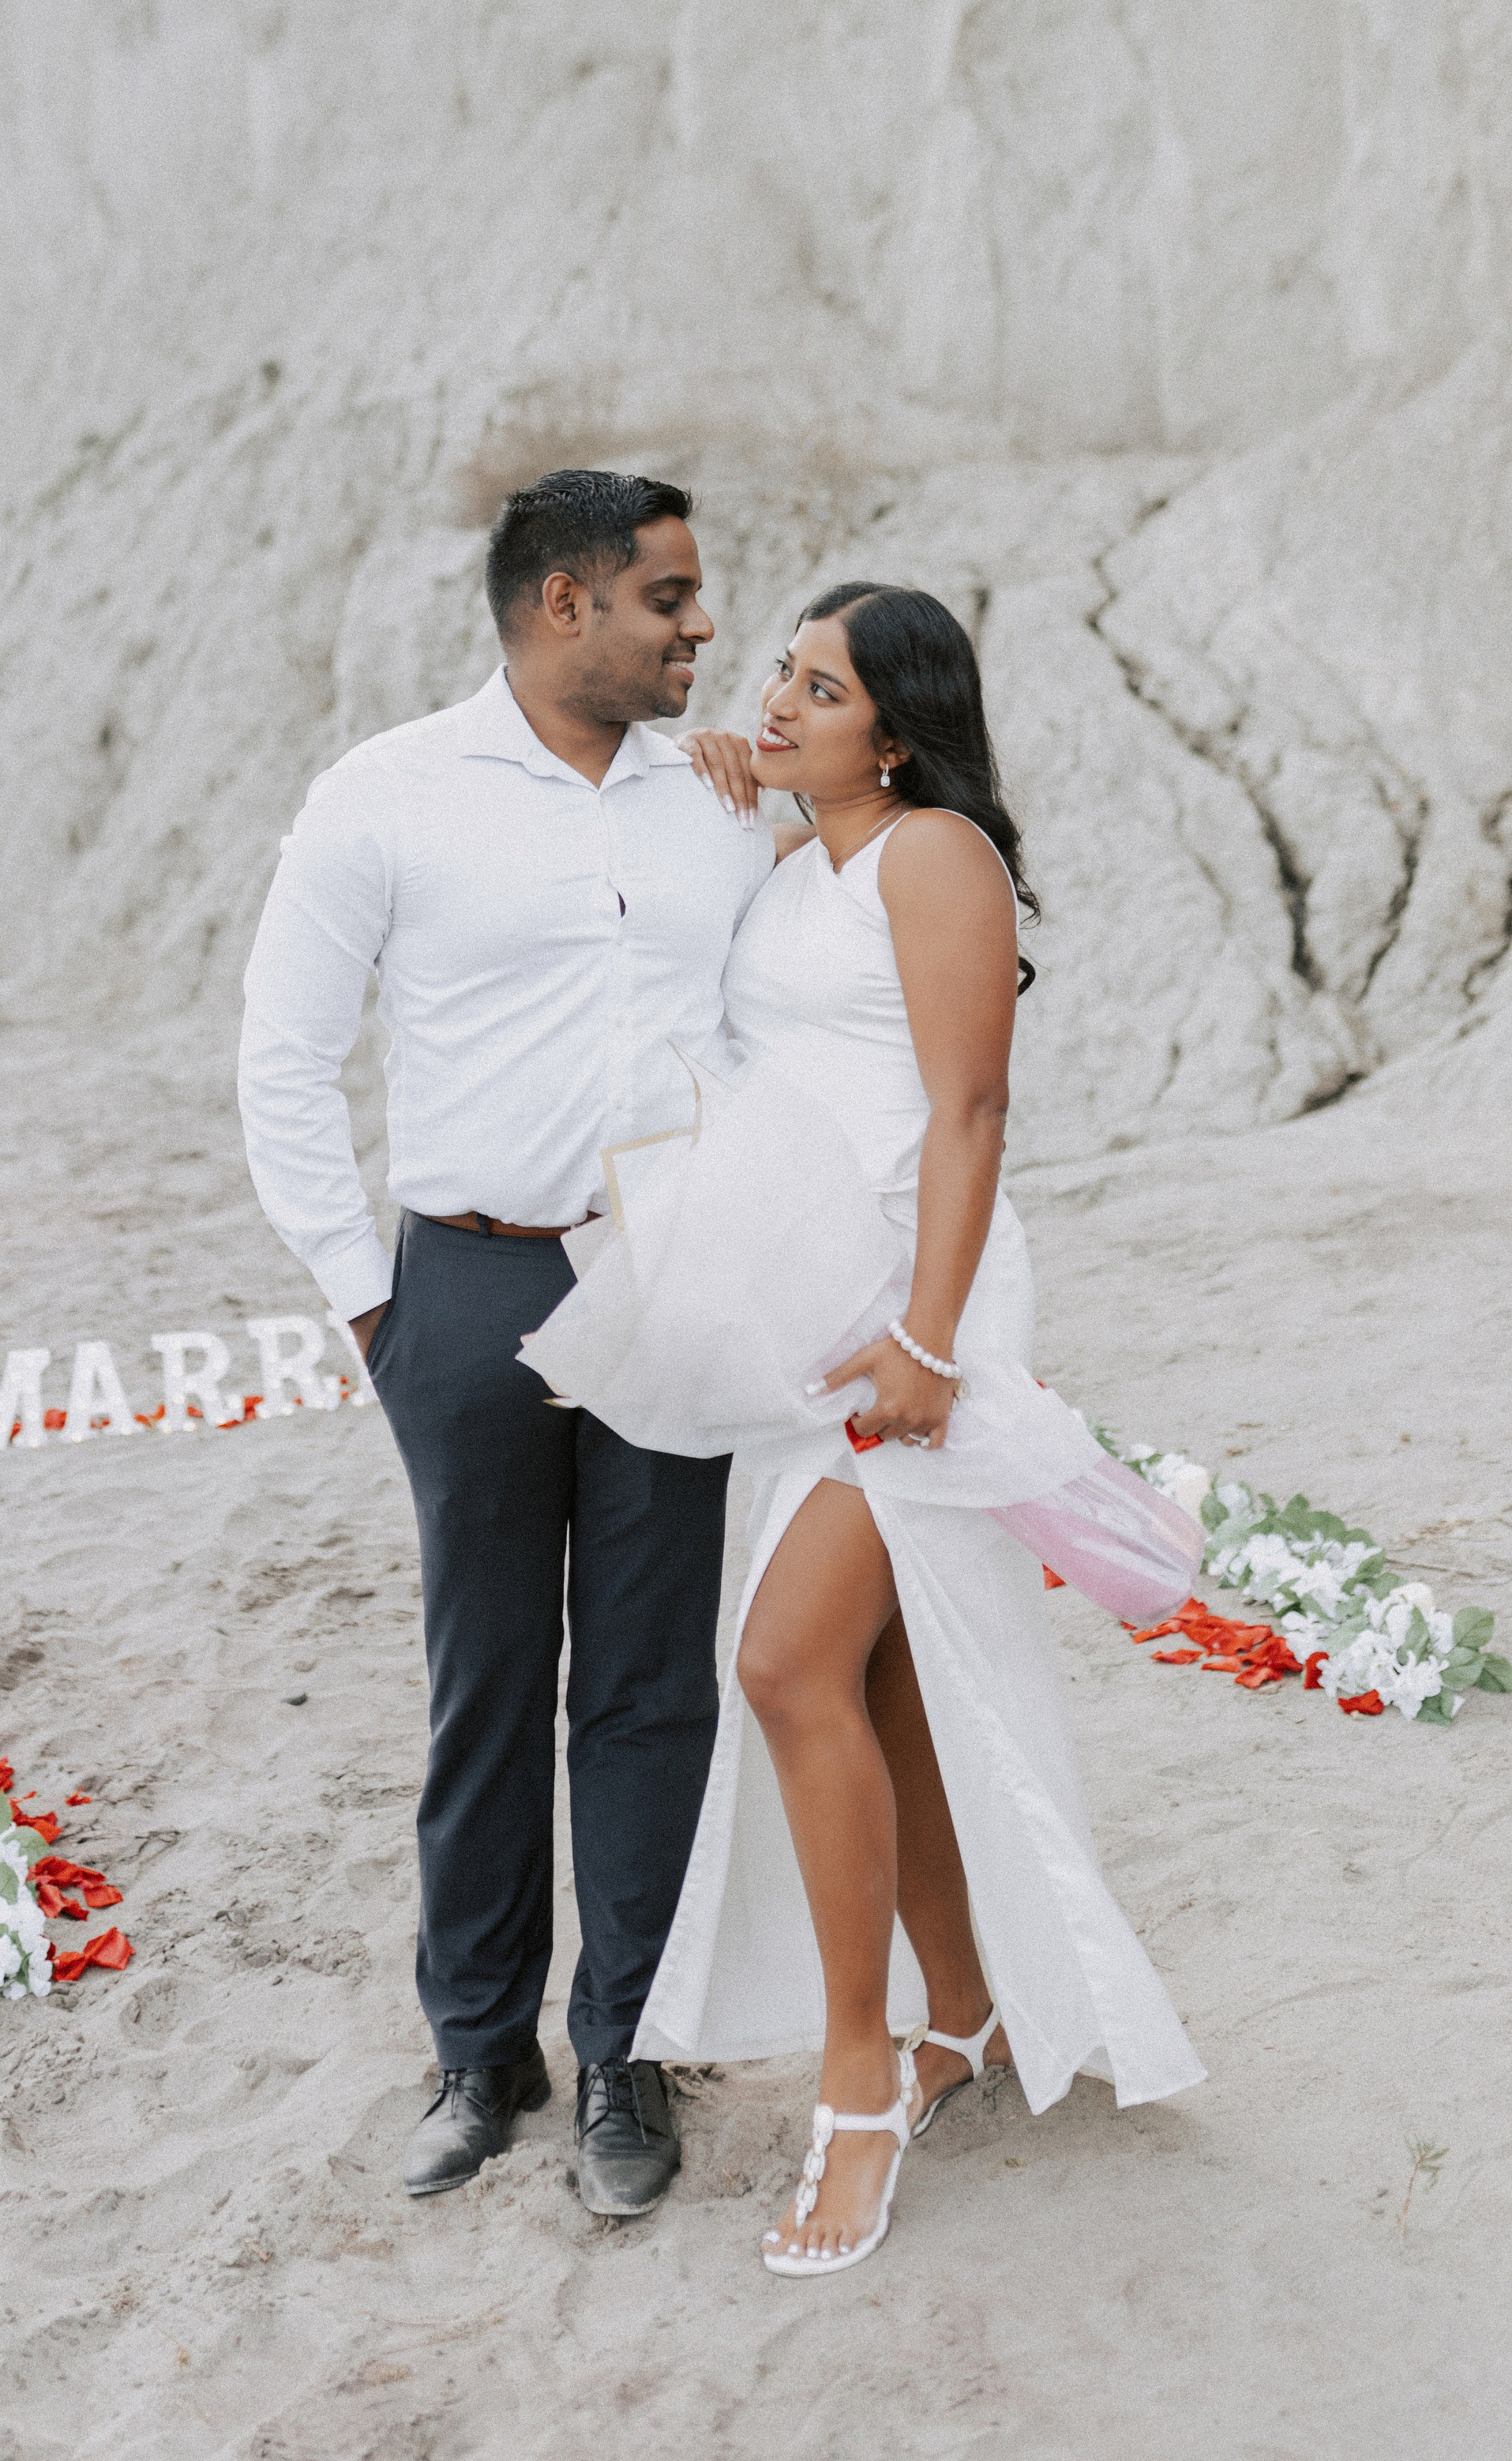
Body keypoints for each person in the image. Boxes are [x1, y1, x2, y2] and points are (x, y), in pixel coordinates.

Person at [521, 580, 1205, 2279]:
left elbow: (968, 1106)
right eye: (777, 670)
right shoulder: (785, 854)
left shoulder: (929, 857)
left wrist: (925, 1340)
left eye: (815, 688)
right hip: (797, 1314)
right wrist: (714, 793)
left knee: (780, 1663)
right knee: (878, 1676)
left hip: (922, 1308)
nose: (775, 697)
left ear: (891, 730)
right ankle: (958, 2013)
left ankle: (857, 2077)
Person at [236, 468, 772, 2215]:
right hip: (460, 1292)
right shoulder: (385, 795)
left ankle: (621, 2048)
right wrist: (371, 1301)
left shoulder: (714, 803)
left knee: (646, 1685)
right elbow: (282, 1059)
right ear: (562, 603)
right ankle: (479, 2052)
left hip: (667, 1283)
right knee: (484, 1684)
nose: (701, 629)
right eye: (667, 599)